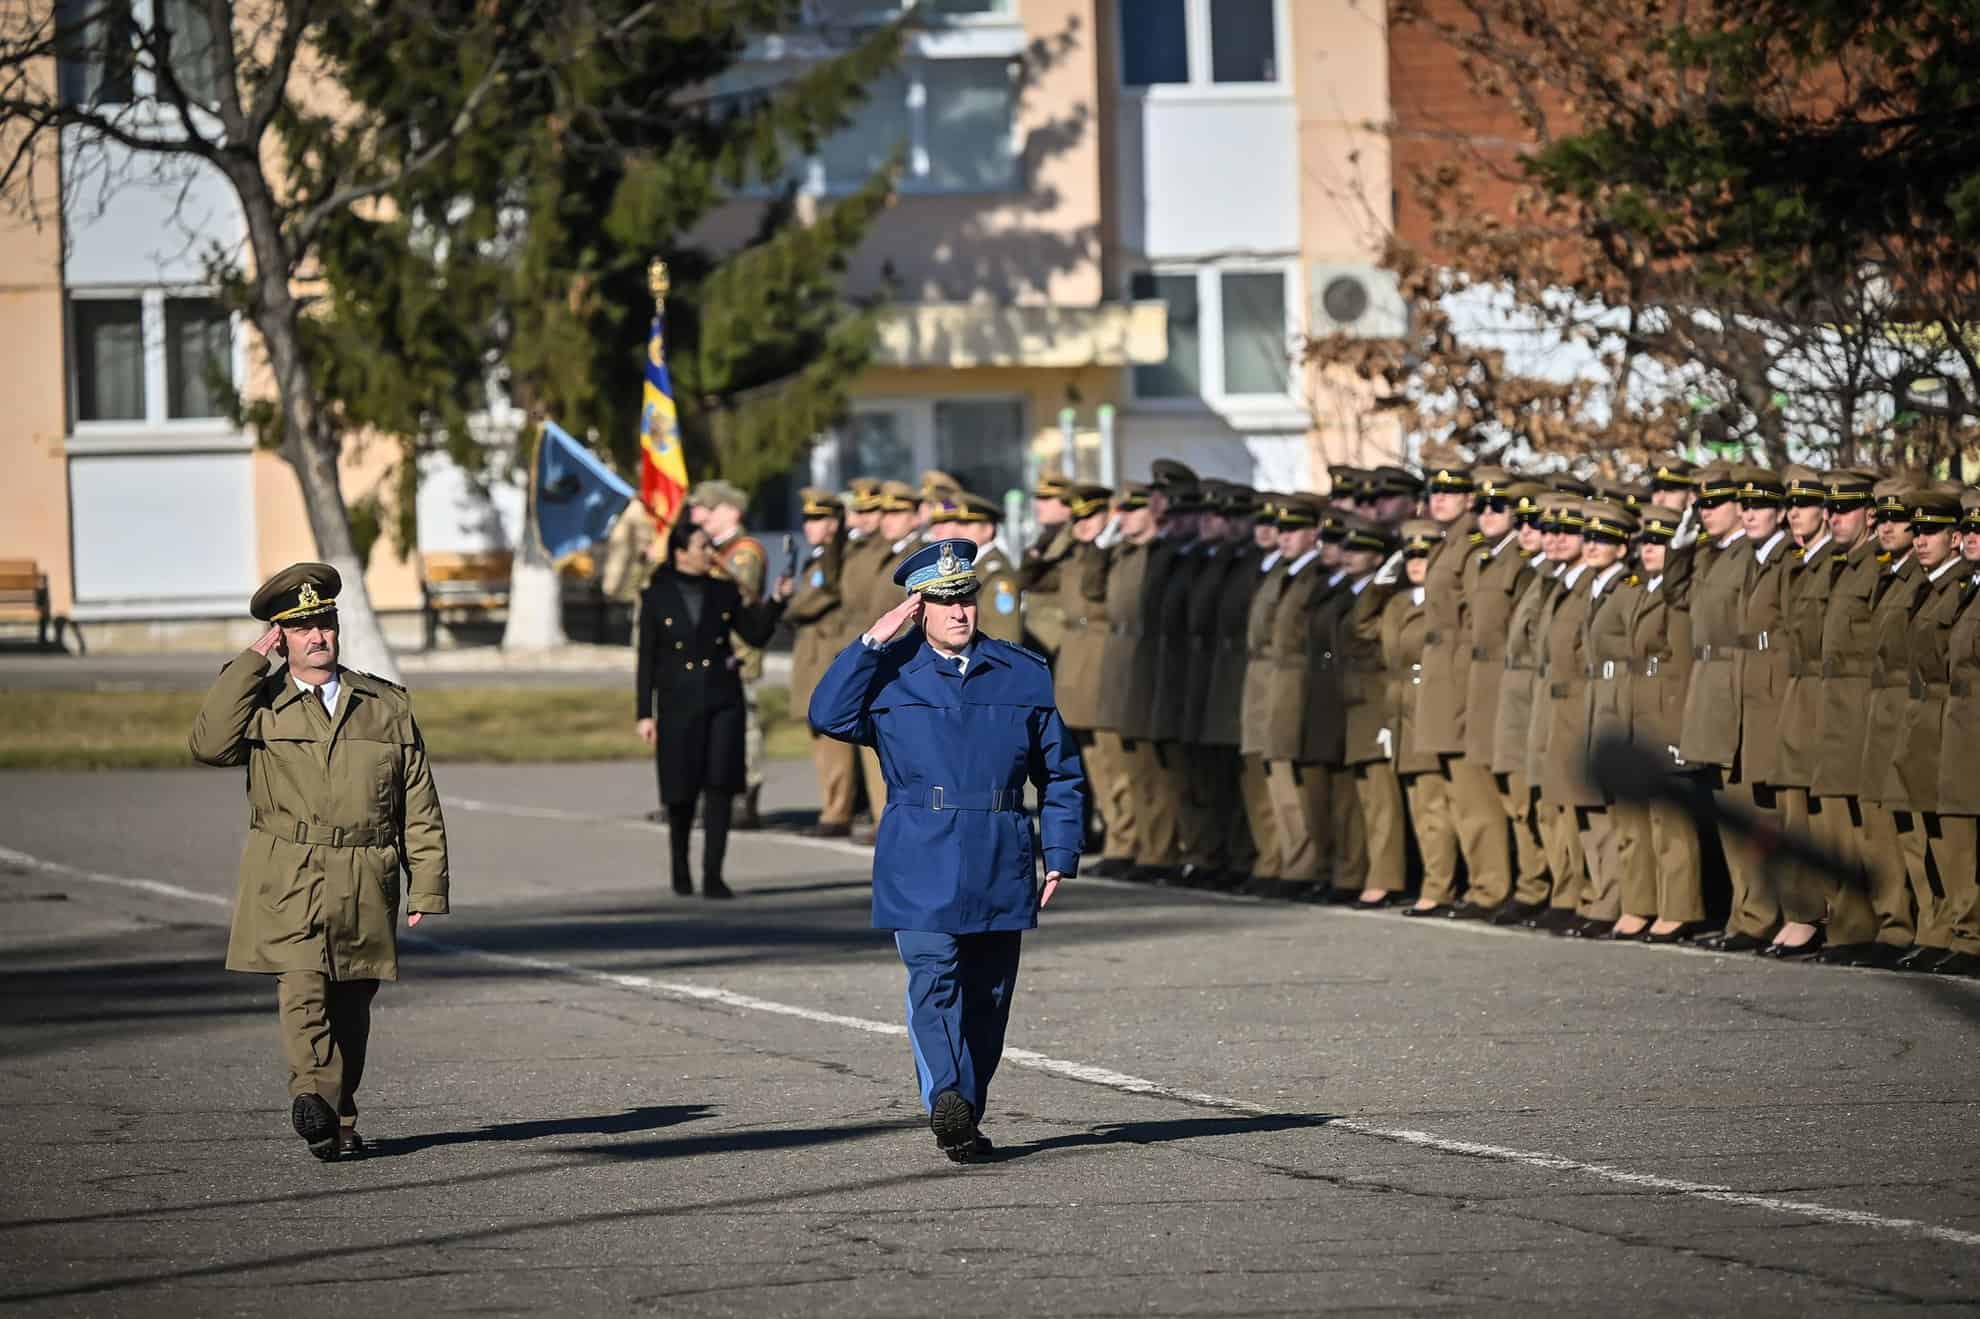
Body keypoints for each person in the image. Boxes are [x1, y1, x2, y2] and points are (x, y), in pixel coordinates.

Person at [808, 537, 1086, 1163]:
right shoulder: (886, 672)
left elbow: (1061, 773)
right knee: (935, 982)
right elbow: (826, 713)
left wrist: (1061, 852)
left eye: (967, 599)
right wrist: (872, 641)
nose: (959, 612)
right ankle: (946, 1098)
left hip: (1000, 849)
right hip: (921, 853)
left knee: (988, 998)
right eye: (942, 601)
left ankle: (965, 1113)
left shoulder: (1022, 672)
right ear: (918, 608)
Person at [189, 562, 450, 1163]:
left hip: (366, 873)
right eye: (302, 628)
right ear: (282, 637)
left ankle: (338, 1116)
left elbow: (419, 801)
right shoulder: (262, 702)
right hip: (289, 871)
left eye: (326, 623)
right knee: (303, 991)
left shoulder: (383, 706)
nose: (319, 637)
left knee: (351, 1005)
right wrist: (251, 664)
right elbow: (208, 746)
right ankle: (311, 1096)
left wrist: (427, 884)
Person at [635, 521, 791, 898]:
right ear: (681, 552)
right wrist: (644, 712)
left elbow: (754, 634)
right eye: (702, 546)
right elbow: (647, 659)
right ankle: (680, 867)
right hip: (676, 701)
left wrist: (776, 601)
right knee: (681, 789)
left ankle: (713, 873)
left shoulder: (723, 592)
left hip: (722, 699)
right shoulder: (657, 596)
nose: (711, 553)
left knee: (720, 784)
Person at [689, 479, 772, 829]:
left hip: (738, 655)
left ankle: (744, 797)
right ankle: (711, 794)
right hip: (711, 656)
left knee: (744, 729)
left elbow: (735, 593)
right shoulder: (714, 550)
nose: (699, 516)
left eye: (708, 510)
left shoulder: (743, 551)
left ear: (730, 512)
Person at [785, 487, 861, 837]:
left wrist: (789, 606)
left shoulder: (835, 556)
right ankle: (832, 805)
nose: (810, 526)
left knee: (833, 738)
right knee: (820, 738)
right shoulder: (817, 556)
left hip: (826, 653)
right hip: (812, 652)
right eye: (808, 519)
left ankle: (837, 810)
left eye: (819, 519)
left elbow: (817, 598)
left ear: (834, 523)